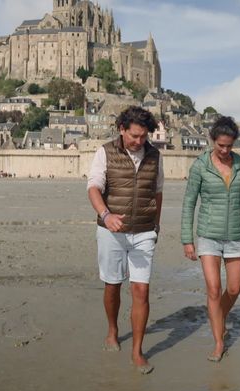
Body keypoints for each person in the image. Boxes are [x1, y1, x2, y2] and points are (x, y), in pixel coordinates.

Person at [181, 116, 240, 362]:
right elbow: (189, 203)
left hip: (235, 236)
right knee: (213, 288)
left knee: (233, 289)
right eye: (221, 145)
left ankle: (217, 315)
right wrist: (187, 239)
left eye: (229, 145)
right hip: (208, 235)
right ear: (212, 141)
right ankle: (219, 341)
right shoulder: (200, 166)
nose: (225, 150)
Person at [87, 106, 163, 375]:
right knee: (113, 286)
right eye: (134, 136)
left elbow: (157, 192)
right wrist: (105, 215)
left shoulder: (155, 156)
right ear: (122, 129)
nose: (139, 142)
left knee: (141, 290)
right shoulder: (104, 152)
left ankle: (137, 350)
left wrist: (156, 226)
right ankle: (112, 329)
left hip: (143, 231)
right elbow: (94, 187)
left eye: (143, 136)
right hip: (111, 231)